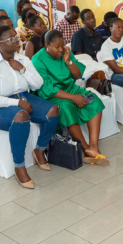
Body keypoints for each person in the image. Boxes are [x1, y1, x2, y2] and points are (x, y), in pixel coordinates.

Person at [0, 24, 59, 189]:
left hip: (22, 97)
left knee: (53, 111)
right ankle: (19, 166)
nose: (16, 41)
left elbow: (37, 84)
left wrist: (23, 70)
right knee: (21, 116)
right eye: (10, 39)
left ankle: (39, 150)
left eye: (16, 37)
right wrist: (18, 103)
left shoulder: (23, 60)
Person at [32, 30, 108, 165]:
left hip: (71, 88)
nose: (61, 50)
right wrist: (74, 98)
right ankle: (85, 148)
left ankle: (93, 147)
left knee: (94, 100)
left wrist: (68, 62)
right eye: (56, 47)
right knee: (66, 108)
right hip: (53, 95)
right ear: (47, 46)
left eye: (62, 45)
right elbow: (48, 90)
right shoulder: (38, 60)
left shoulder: (66, 52)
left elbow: (78, 76)